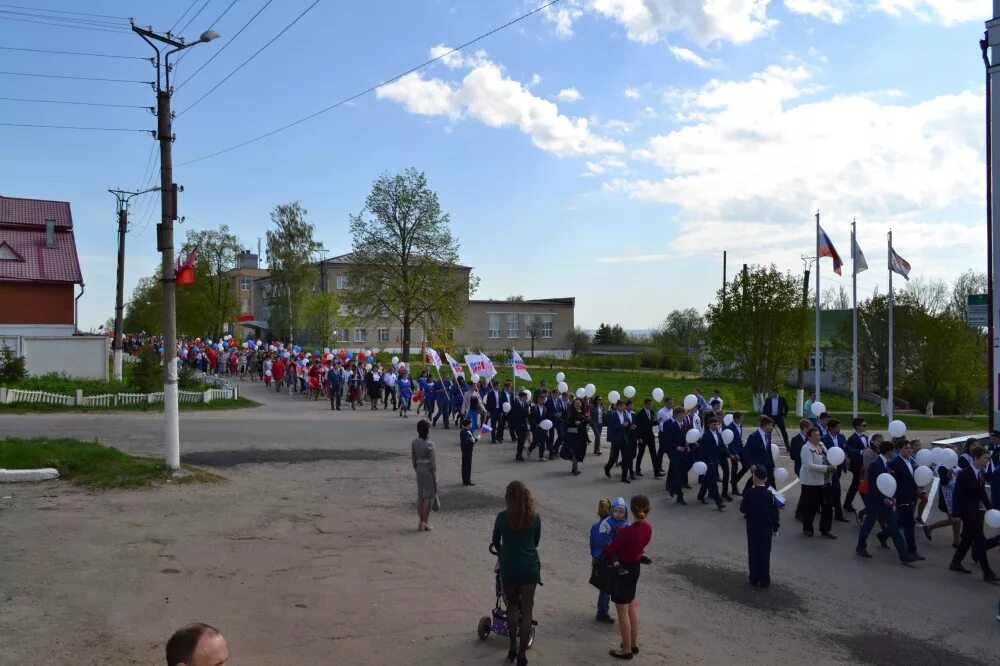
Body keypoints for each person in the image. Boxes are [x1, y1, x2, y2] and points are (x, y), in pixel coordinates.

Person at [491, 481, 541, 666]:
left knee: (512, 606)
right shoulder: (534, 517)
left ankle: (512, 646)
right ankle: (522, 654)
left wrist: (504, 552)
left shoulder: (502, 517)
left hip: (509, 566)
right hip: (529, 567)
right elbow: (535, 542)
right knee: (527, 611)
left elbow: (495, 540)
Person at [603, 494, 652, 660]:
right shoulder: (648, 528)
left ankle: (626, 650)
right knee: (631, 606)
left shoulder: (626, 531)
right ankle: (633, 643)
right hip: (635, 567)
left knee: (622, 610)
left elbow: (610, 550)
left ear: (630, 511)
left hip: (622, 569)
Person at [856, 440, 916, 563]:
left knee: (894, 527)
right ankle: (860, 547)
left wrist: (892, 497)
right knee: (868, 524)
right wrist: (883, 498)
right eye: (892, 451)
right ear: (889, 451)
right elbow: (873, 485)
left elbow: (891, 482)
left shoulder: (889, 464)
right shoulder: (875, 465)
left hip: (887, 501)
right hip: (875, 501)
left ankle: (904, 556)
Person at [950, 445, 998, 582]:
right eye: (984, 458)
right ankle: (987, 572)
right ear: (976, 458)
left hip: (975, 511)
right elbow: (957, 495)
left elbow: (982, 493)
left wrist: (990, 508)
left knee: (968, 539)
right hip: (967, 512)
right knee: (979, 540)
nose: (986, 461)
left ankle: (955, 562)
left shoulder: (980, 472)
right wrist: (956, 514)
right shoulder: (964, 474)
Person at [740, 466, 780, 587]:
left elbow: (743, 509)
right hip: (766, 528)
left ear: (754, 478)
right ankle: (764, 579)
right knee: (765, 553)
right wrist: (776, 528)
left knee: (753, 552)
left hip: (752, 527)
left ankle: (754, 577)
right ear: (766, 478)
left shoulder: (749, 493)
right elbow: (775, 513)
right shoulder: (771, 495)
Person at [590, 497, 627, 624]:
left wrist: (595, 557)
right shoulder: (609, 527)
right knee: (608, 588)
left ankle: (603, 611)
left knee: (604, 588)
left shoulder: (596, 526)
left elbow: (592, 544)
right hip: (608, 560)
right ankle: (602, 612)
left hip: (600, 559)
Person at [799, 427, 837, 539]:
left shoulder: (821, 445)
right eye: (815, 435)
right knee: (810, 507)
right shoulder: (806, 448)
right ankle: (807, 528)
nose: (818, 437)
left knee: (828, 506)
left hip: (825, 481)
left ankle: (825, 529)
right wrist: (826, 468)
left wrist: (833, 464)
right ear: (809, 437)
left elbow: (829, 456)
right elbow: (809, 465)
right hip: (811, 482)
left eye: (819, 435)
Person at [890, 439, 924, 560]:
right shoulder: (895, 463)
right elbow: (894, 483)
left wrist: (917, 488)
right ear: (899, 450)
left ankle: (883, 535)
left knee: (901, 523)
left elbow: (914, 478)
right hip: (902, 498)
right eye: (906, 448)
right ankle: (912, 551)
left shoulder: (912, 461)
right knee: (909, 524)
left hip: (912, 497)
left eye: (910, 448)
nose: (909, 450)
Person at [923, 465, 961, 547]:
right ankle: (930, 528)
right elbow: (943, 482)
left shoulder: (957, 465)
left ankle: (956, 542)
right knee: (954, 520)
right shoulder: (942, 467)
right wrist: (949, 473)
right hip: (947, 499)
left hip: (956, 497)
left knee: (957, 520)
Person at [821, 419, 850, 523]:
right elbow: (823, 454)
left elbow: (845, 449)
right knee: (836, 490)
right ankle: (838, 513)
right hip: (830, 468)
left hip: (839, 467)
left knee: (834, 489)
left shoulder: (841, 437)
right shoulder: (824, 439)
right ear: (831, 428)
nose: (839, 429)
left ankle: (833, 507)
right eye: (837, 427)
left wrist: (846, 459)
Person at [411, 419, 437, 532]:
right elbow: (433, 463)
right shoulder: (430, 444)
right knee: (427, 498)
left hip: (419, 469)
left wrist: (417, 469)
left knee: (420, 496)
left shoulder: (414, 442)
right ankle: (425, 523)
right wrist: (435, 476)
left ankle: (420, 521)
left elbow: (413, 460)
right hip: (428, 471)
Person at [697, 416, 726, 511]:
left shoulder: (718, 434)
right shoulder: (706, 435)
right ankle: (719, 502)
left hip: (715, 461)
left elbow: (722, 447)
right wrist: (703, 462)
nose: (715, 426)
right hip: (708, 462)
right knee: (713, 483)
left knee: (706, 480)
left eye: (716, 424)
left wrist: (730, 455)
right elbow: (702, 450)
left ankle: (701, 495)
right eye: (713, 424)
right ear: (709, 425)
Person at [663, 406, 690, 504]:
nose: (684, 415)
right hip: (675, 454)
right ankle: (680, 496)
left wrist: (687, 444)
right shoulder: (672, 426)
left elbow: (686, 437)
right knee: (678, 474)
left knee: (682, 474)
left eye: (685, 413)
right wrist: (677, 447)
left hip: (684, 452)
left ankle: (672, 486)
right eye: (683, 414)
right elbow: (668, 441)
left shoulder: (685, 424)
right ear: (677, 414)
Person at [743, 416, 776, 491]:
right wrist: (751, 464)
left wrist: (772, 464)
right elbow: (746, 451)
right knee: (759, 480)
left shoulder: (767, 435)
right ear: (766, 425)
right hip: (758, 464)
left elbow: (768, 451)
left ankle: (776, 499)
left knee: (771, 480)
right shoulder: (754, 436)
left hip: (767, 464)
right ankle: (746, 493)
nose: (772, 427)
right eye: (771, 425)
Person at [844, 417, 868, 515]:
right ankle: (867, 505)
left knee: (857, 485)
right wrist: (861, 452)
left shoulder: (866, 437)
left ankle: (847, 504)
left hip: (865, 466)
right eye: (863, 425)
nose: (865, 427)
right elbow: (850, 451)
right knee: (858, 486)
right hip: (858, 466)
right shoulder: (852, 439)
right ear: (857, 426)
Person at [634, 398, 658, 478]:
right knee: (640, 453)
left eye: (651, 404)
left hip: (650, 436)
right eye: (649, 404)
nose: (651, 406)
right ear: (645, 404)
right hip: (642, 437)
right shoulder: (640, 414)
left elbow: (650, 424)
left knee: (654, 454)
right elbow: (637, 426)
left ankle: (656, 471)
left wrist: (658, 422)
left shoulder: (651, 412)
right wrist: (638, 437)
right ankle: (637, 469)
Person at [604, 400, 627, 480]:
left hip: (624, 438)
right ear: (617, 406)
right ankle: (607, 468)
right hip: (616, 438)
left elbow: (626, 424)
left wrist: (630, 426)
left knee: (626, 456)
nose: (623, 408)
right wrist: (621, 425)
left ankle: (624, 477)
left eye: (624, 406)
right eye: (622, 406)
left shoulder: (624, 414)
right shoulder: (613, 414)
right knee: (614, 457)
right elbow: (611, 426)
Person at [726, 412, 748, 496]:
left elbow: (738, 439)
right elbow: (730, 442)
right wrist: (735, 453)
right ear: (736, 419)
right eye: (741, 418)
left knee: (746, 466)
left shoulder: (740, 425)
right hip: (733, 451)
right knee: (734, 469)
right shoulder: (730, 427)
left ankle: (734, 480)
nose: (743, 419)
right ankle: (734, 488)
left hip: (740, 449)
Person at [565, 398, 588, 475]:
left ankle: (574, 467)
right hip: (573, 434)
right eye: (575, 403)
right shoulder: (570, 411)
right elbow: (567, 421)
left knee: (581, 450)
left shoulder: (583, 412)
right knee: (575, 451)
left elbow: (585, 421)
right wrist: (574, 422)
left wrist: (587, 420)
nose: (577, 405)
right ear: (573, 404)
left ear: (581, 404)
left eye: (578, 403)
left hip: (582, 434)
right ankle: (575, 469)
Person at [511, 390, 531, 461]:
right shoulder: (515, 404)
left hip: (524, 425)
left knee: (522, 441)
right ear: (521, 397)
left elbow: (527, 415)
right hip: (517, 425)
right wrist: (512, 426)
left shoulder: (526, 405)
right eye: (525, 397)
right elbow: (512, 415)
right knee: (520, 439)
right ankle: (518, 455)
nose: (526, 399)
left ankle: (519, 455)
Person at [460, 417, 477, 486]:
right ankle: (467, 481)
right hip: (468, 451)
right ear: (468, 425)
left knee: (464, 466)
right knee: (468, 466)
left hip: (464, 451)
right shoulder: (467, 432)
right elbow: (471, 442)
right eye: (470, 424)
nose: (471, 425)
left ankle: (465, 480)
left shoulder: (462, 431)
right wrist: (477, 439)